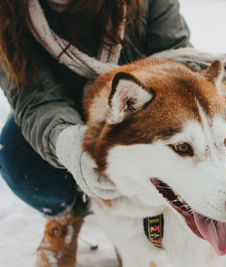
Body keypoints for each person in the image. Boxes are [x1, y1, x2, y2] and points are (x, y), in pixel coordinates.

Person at [0, 0, 192, 266]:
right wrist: (69, 145)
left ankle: (134, 224)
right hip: (62, 116)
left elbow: (175, 55)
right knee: (17, 155)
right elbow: (35, 99)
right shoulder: (8, 14)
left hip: (135, 114)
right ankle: (64, 215)